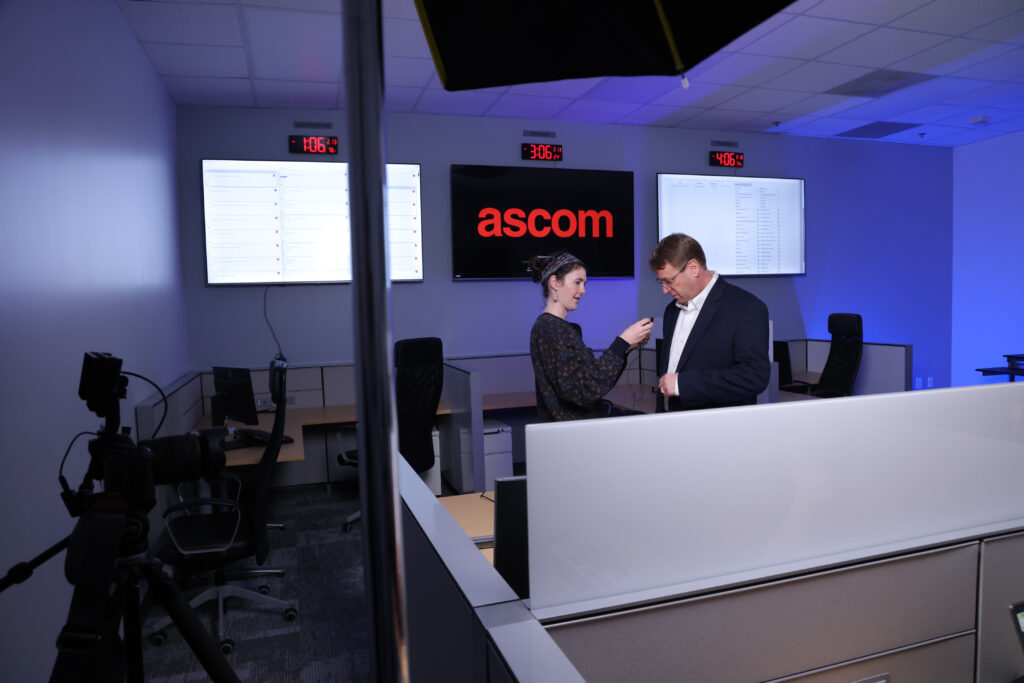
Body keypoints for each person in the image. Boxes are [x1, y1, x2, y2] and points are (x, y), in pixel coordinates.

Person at [649, 233, 770, 412]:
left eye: (669, 281)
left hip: (718, 432)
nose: (665, 290)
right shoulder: (671, 311)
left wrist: (683, 384)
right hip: (670, 430)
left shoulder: (747, 308)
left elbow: (754, 377)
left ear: (693, 268)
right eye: (661, 282)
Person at [528, 252, 653, 421]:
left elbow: (593, 381)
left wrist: (625, 348)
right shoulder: (551, 329)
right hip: (572, 434)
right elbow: (583, 392)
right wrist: (621, 342)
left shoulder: (556, 327)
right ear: (555, 283)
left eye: (584, 283)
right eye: (577, 282)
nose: (583, 291)